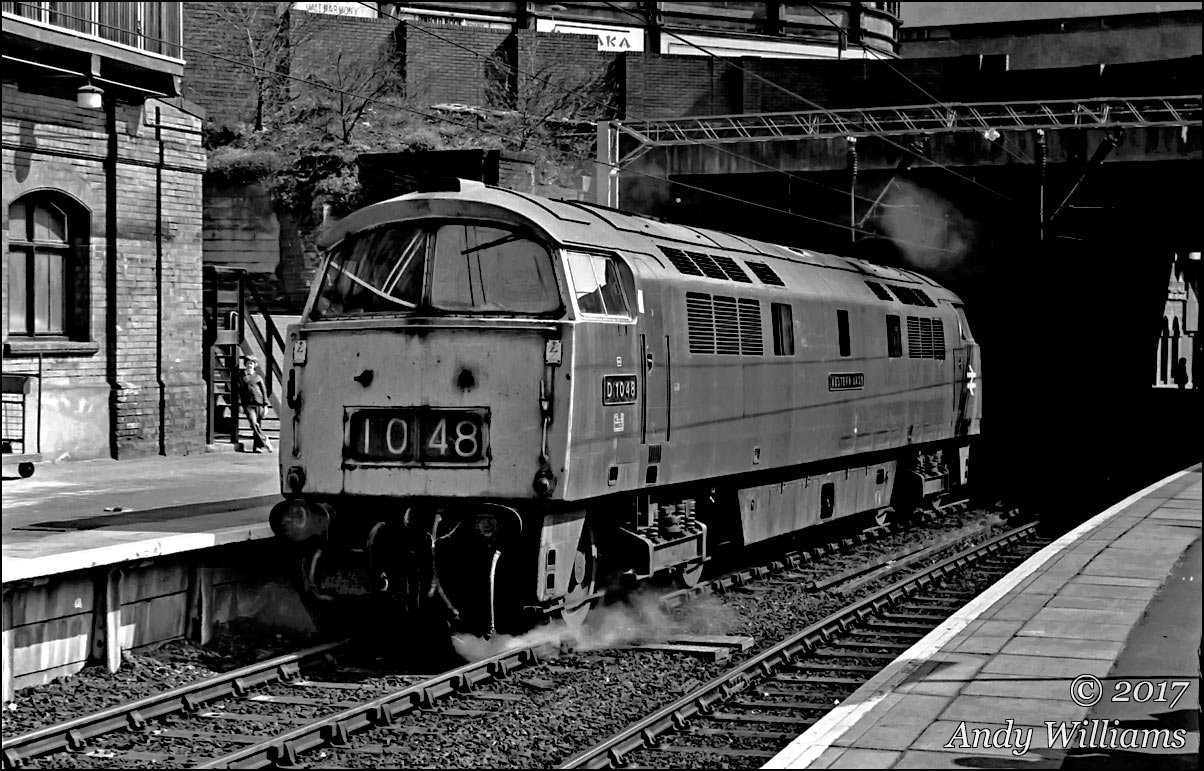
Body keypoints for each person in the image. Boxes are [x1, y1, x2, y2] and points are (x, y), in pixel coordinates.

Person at [237, 354, 273, 453]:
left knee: (257, 425)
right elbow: (238, 391)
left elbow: (264, 391)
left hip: (259, 403)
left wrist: (265, 406)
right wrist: (240, 405)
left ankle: (257, 447)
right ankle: (265, 439)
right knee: (253, 423)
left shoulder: (258, 377)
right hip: (248, 404)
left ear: (254, 365)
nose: (250, 365)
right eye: (248, 363)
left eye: (252, 363)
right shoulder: (242, 377)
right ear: (245, 364)